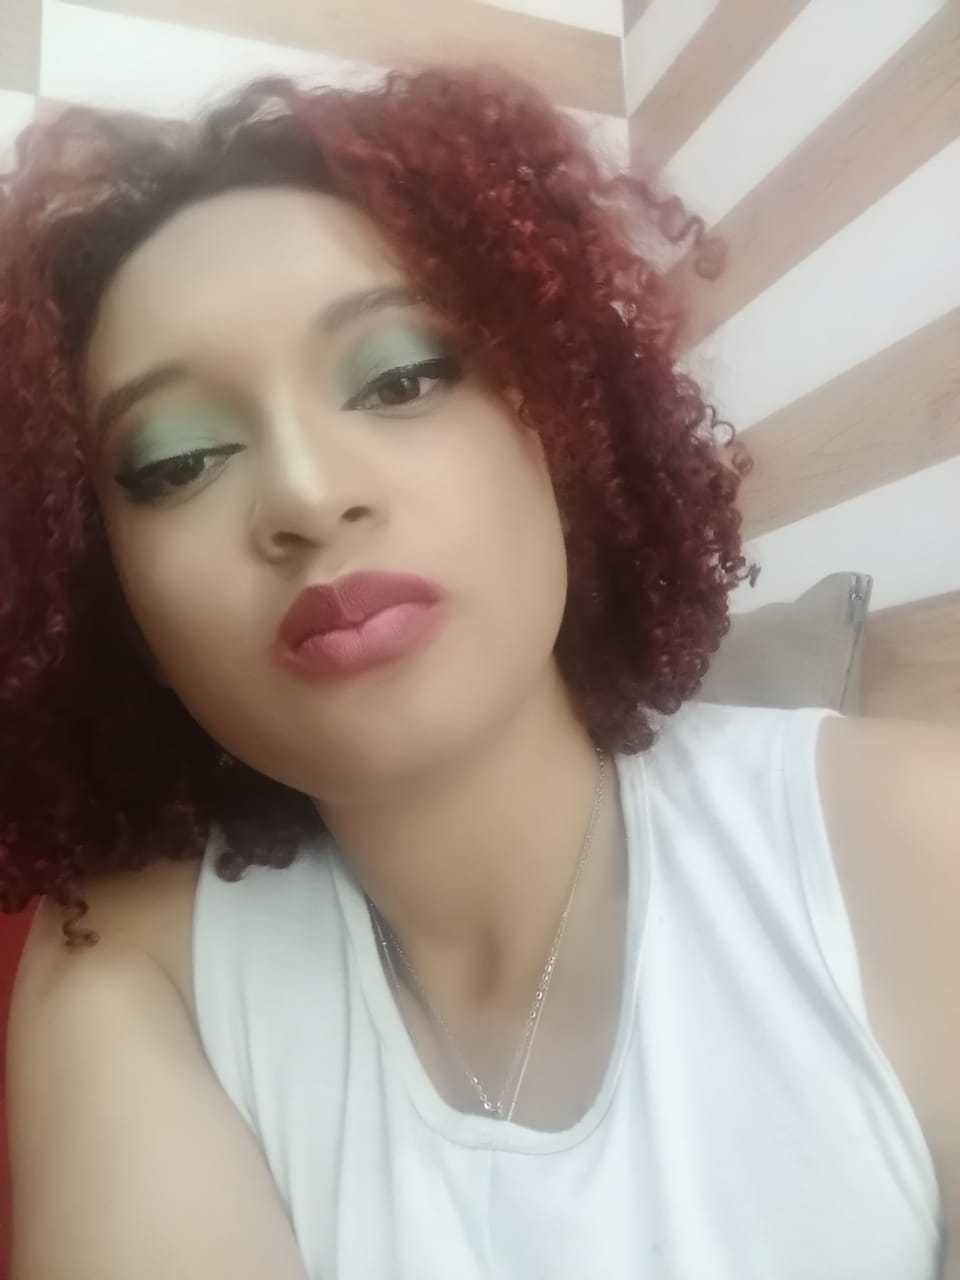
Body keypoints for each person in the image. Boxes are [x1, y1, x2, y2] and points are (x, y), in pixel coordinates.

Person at [0, 64, 946, 1280]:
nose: (305, 493)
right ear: (111, 598)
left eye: (401, 377)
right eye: (178, 460)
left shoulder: (911, 835)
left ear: (561, 433)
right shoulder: (136, 959)